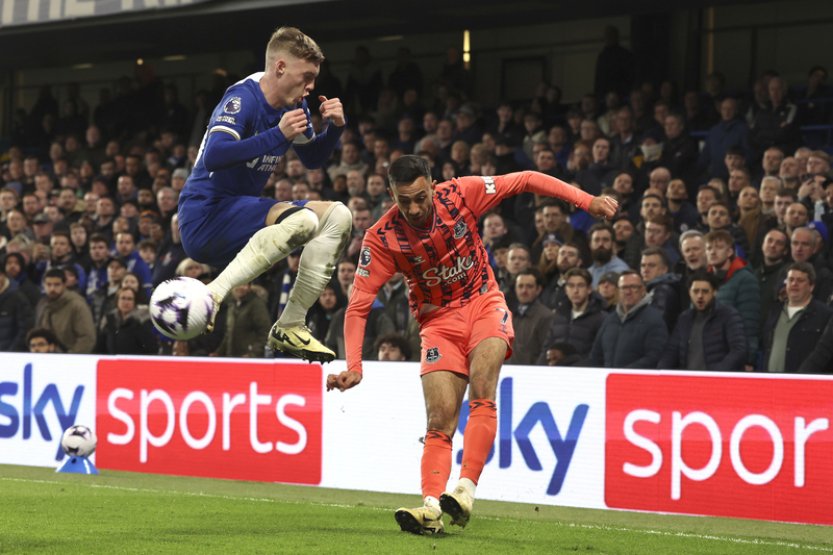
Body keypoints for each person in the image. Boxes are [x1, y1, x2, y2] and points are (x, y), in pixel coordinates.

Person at [326, 155, 617, 535]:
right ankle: (431, 507)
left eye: (420, 197)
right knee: (440, 419)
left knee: (483, 387)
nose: (413, 208)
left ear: (433, 185)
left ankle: (465, 490)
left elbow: (525, 178)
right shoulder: (381, 238)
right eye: (403, 200)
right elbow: (359, 303)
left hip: (484, 304)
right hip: (437, 324)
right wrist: (355, 365)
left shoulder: (462, 194)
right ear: (392, 196)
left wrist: (586, 201)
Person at [177, 27, 352, 362]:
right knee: (302, 221)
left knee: (338, 216)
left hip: (240, 214)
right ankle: (213, 295)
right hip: (206, 215)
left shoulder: (295, 104)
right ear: (281, 67)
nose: (311, 86)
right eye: (307, 76)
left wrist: (335, 129)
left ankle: (292, 323)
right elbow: (215, 155)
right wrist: (276, 134)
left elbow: (312, 159)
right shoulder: (243, 98)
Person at [657, 270, 746, 371]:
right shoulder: (684, 319)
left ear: (714, 292)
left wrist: (717, 374)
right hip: (688, 381)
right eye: (696, 291)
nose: (700, 296)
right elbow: (671, 351)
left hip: (717, 382)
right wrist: (661, 372)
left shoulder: (728, 315)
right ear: (689, 293)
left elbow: (738, 350)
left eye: (705, 291)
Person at [761, 262, 832, 372]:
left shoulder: (825, 314)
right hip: (771, 382)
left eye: (800, 280)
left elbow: (824, 352)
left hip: (805, 383)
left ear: (811, 286)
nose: (794, 284)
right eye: (791, 279)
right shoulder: (774, 311)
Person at [589, 270, 668, 369]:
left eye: (633, 287)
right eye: (624, 288)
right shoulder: (609, 320)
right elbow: (596, 355)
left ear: (643, 290)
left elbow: (654, 357)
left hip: (635, 382)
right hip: (609, 381)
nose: (628, 292)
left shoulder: (654, 319)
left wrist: (623, 375)